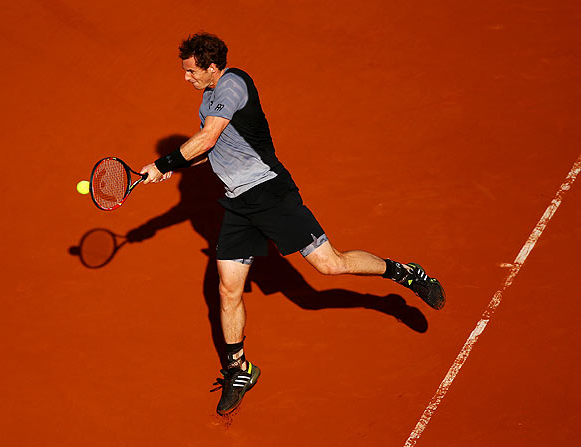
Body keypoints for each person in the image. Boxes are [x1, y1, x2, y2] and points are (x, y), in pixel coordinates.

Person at [140, 33, 445, 416]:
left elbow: (208, 138)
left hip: (270, 193)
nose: (186, 78)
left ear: (211, 66)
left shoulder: (233, 83)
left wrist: (165, 163)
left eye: (190, 71)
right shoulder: (208, 100)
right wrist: (176, 169)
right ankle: (239, 370)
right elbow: (215, 149)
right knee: (228, 289)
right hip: (238, 203)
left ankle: (405, 273)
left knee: (330, 266)